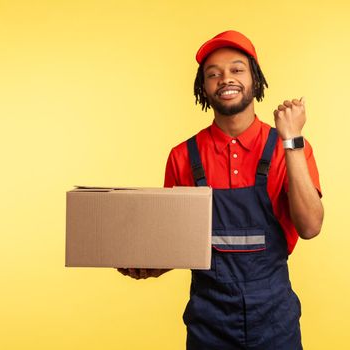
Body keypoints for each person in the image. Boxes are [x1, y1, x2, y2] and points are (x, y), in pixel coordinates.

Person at [118, 30, 324, 349]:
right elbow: (181, 243)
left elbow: (310, 227)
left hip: (274, 322)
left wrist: (291, 141)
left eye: (237, 69)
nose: (225, 78)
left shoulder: (291, 147)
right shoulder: (183, 156)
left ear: (255, 79)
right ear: (203, 87)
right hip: (208, 324)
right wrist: (147, 266)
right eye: (213, 74)